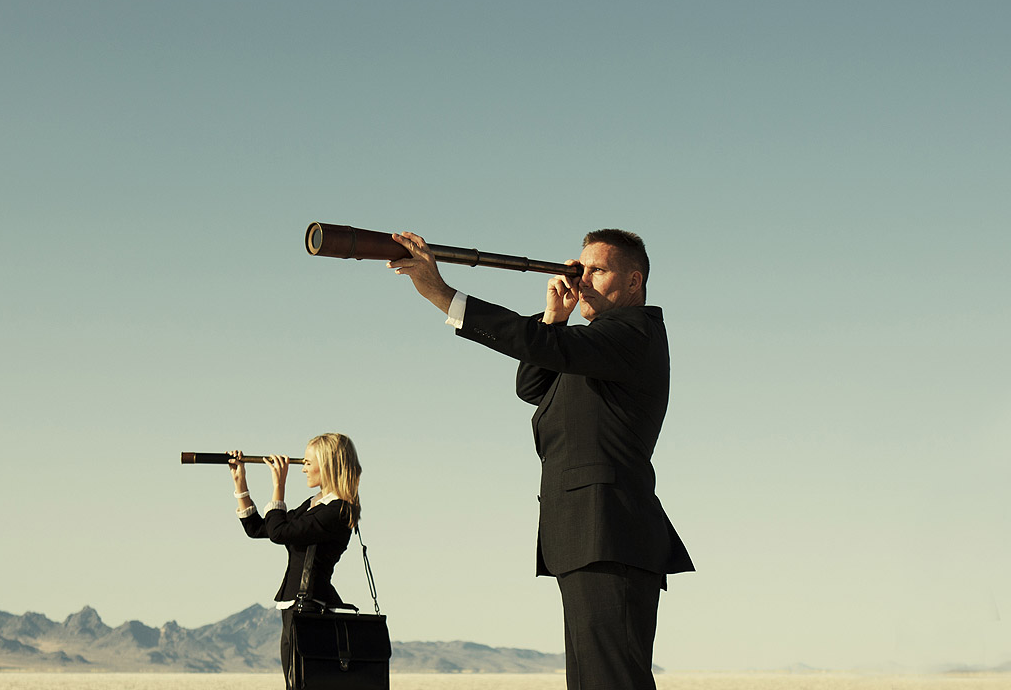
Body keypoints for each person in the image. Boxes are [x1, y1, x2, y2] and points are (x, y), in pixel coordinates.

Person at [388, 229, 693, 690]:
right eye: (579, 269)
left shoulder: (634, 332)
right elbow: (531, 386)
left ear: (634, 281)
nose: (581, 279)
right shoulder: (594, 350)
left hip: (610, 534)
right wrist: (554, 318)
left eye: (597, 270)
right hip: (587, 537)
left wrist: (442, 294)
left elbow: (542, 347)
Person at [227, 433, 362, 689]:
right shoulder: (314, 506)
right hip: (298, 607)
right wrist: (240, 483)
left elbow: (280, 533)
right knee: (296, 682)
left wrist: (279, 486)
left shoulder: (336, 510)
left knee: (301, 683)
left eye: (308, 462)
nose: (303, 469)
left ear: (329, 465)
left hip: (310, 608)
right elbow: (260, 529)